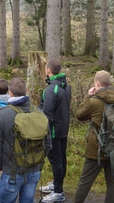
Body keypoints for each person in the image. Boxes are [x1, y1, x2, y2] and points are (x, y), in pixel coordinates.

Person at [0, 77, 52, 203]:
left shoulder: (2, 114)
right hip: (34, 169)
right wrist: (37, 160)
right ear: (26, 90)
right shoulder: (39, 113)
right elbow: (48, 144)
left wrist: (0, 166)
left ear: (10, 93)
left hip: (11, 170)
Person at [74, 70, 114, 203]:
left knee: (85, 182)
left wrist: (88, 96)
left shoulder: (94, 101)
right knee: (112, 182)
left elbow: (79, 115)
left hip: (96, 150)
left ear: (97, 83)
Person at [39, 59, 71, 203]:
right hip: (63, 129)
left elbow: (47, 115)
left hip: (53, 132)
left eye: (46, 68)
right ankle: (56, 184)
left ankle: (58, 192)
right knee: (61, 159)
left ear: (49, 70)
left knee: (56, 161)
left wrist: (42, 132)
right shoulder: (66, 86)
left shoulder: (51, 89)